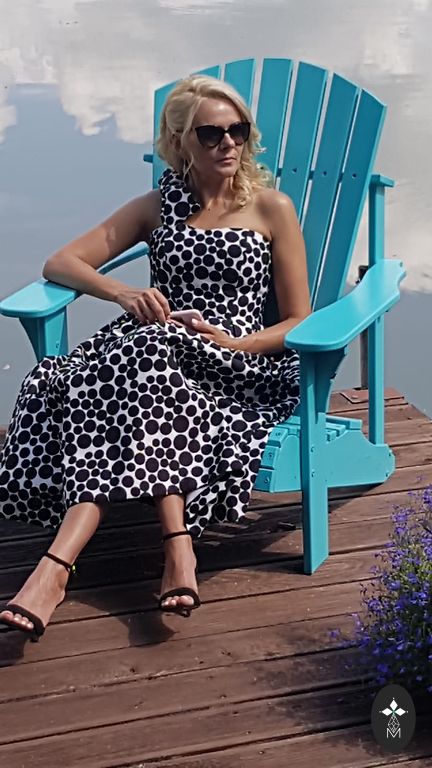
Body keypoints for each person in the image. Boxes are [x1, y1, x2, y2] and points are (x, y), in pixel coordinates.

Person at [0, 74, 311, 640]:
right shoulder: (156, 207)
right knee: (139, 358)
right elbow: (62, 262)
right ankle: (177, 546)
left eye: (238, 130)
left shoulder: (271, 208)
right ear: (180, 141)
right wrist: (122, 293)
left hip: (235, 364)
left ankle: (54, 568)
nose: (228, 143)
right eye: (211, 133)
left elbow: (298, 320)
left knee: (129, 369)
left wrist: (234, 343)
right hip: (153, 351)